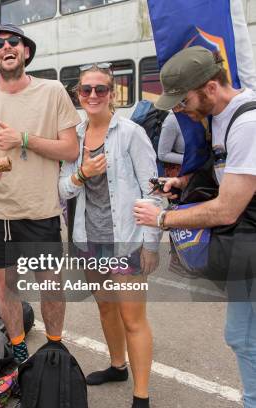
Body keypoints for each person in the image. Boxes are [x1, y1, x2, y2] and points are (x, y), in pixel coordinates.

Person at [134, 46, 256, 408]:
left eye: (183, 99)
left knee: (243, 336)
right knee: (241, 336)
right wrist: (184, 183)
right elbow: (225, 174)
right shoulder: (218, 115)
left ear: (210, 87)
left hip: (246, 238)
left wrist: (162, 219)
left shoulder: (247, 124)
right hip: (247, 246)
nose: (178, 108)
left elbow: (227, 209)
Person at [0, 23, 81, 363]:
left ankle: (55, 348)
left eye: (14, 42)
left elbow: (71, 150)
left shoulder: (52, 91)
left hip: (40, 211)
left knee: (51, 286)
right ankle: (19, 351)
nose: (6, 47)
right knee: (5, 287)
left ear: (25, 51)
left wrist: (22, 139)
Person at [59, 63, 161, 408]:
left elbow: (154, 192)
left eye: (100, 89)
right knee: (105, 307)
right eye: (85, 89)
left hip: (127, 240)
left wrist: (151, 244)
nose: (92, 95)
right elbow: (63, 189)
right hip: (90, 239)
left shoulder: (130, 133)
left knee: (133, 318)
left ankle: (141, 396)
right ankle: (118, 366)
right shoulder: (74, 136)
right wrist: (80, 175)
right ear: (78, 94)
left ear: (112, 93)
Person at [157, 112, 184, 177]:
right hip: (183, 172)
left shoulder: (204, 114)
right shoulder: (172, 120)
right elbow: (162, 155)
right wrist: (191, 159)